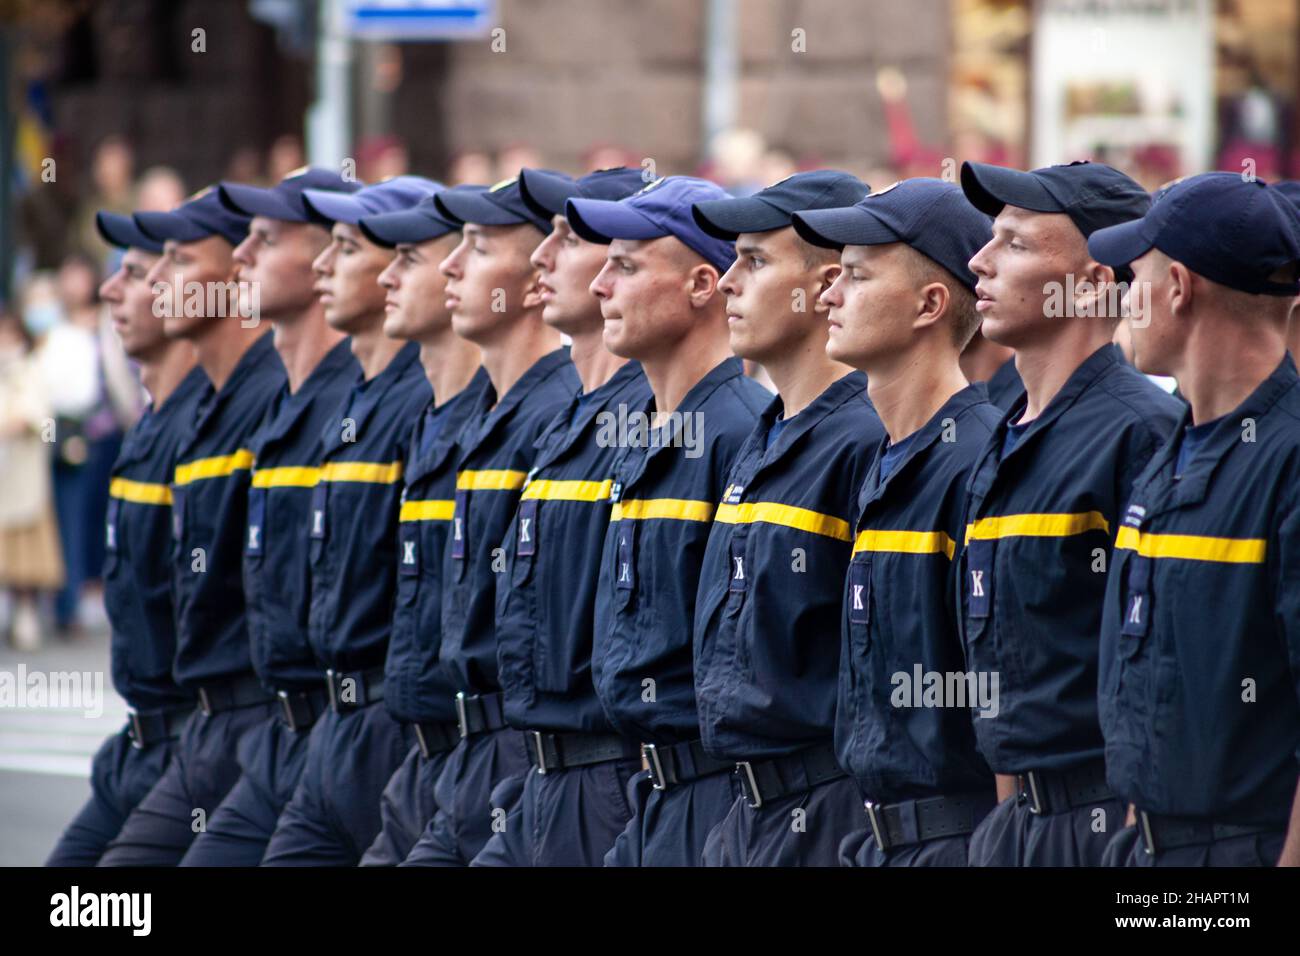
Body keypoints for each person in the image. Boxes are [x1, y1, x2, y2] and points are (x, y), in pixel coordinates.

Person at [956, 160, 1183, 866]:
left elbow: (1165, 667)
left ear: (1091, 283)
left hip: (1102, 825)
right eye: (990, 239)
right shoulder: (1004, 431)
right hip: (1016, 825)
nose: (979, 260)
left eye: (1017, 245)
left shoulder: (1142, 431)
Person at [1087, 173, 1300, 866]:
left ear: (1178, 286)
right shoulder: (1171, 446)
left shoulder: (1287, 457)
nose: (1126, 295)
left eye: (1136, 272)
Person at [794, 179, 1000, 865]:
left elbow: (1002, 704)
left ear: (929, 303)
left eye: (853, 277)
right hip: (873, 837)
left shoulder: (976, 463)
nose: (827, 295)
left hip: (953, 841)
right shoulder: (884, 455)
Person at [567, 176, 771, 866]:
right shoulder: (646, 432)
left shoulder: (739, 430)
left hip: (710, 792)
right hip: (649, 790)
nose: (600, 286)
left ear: (702, 285)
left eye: (625, 265)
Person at [687, 170, 884, 866]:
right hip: (741, 811)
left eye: (755, 260)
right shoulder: (764, 433)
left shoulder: (864, 441)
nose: (728, 282)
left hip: (821, 813)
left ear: (825, 282)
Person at [176, 168, 362, 865]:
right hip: (272, 730)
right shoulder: (285, 401)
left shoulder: (353, 403)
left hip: (336, 728)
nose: (243, 257)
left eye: (265, 238)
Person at [96, 187, 284, 866]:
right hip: (165, 735)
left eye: (171, 261)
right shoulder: (183, 417)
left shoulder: (265, 403)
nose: (121, 288)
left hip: (236, 728)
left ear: (236, 276)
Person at [470, 165, 651, 867]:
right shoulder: (568, 415)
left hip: (602, 779)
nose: (542, 259)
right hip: (533, 776)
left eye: (567, 240)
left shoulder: (649, 420)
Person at [258, 177, 441, 866]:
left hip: (389, 729)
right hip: (323, 727)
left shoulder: (417, 406)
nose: (323, 267)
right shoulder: (354, 403)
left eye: (346, 248)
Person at [400, 177, 581, 866]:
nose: (451, 264)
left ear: (533, 279)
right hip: (457, 749)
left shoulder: (553, 416)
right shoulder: (486, 413)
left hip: (515, 750)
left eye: (475, 248)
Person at [45, 211, 204, 865]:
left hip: (193, 748)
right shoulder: (149, 425)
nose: (111, 291)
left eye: (137, 276)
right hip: (135, 743)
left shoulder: (209, 432)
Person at [353, 189, 486, 866]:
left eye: (408, 257)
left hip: (483, 756)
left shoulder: (518, 427)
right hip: (408, 749)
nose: (384, 276)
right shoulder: (423, 419)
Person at [0, 307, 62, 651]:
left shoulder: (32, 371)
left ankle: (27, 612)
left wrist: (26, 423)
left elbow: (48, 423)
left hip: (25, 471)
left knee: (27, 550)